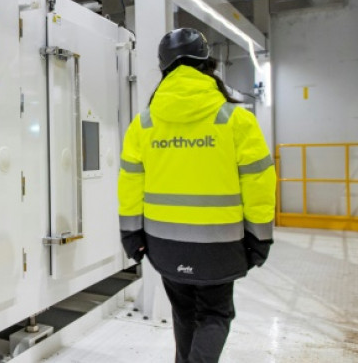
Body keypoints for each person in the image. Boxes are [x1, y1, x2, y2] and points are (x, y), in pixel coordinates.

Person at [117, 28, 276, 363]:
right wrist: (260, 237)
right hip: (221, 246)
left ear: (164, 67)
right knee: (214, 315)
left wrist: (130, 234)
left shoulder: (143, 124)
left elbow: (130, 183)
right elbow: (259, 183)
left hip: (164, 244)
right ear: (207, 64)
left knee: (184, 314)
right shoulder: (236, 119)